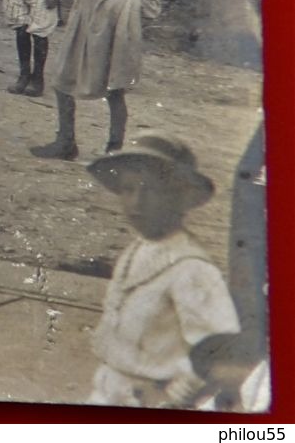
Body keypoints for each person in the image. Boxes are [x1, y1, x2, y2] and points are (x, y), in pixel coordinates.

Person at [85, 137, 239, 406]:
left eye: (151, 190)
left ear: (180, 197)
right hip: (108, 390)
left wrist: (177, 397)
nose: (137, 202)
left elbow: (219, 348)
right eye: (127, 190)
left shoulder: (191, 268)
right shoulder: (137, 249)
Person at [32, 0, 161, 160]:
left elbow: (151, 6)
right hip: (84, 30)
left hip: (111, 36)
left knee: (113, 90)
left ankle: (115, 149)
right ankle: (66, 142)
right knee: (62, 81)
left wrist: (117, 7)